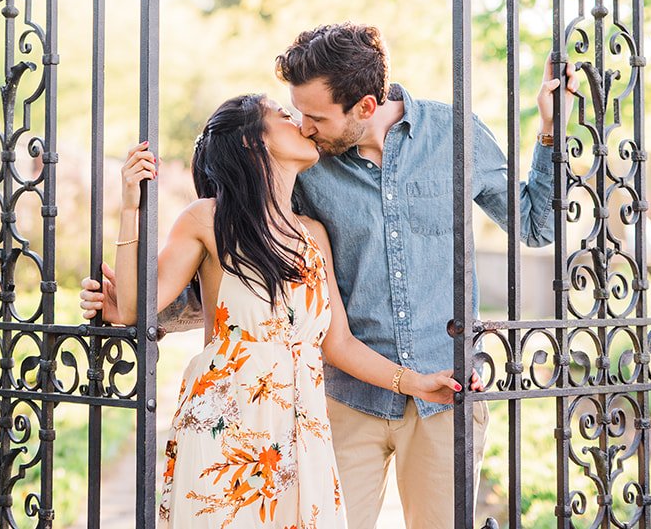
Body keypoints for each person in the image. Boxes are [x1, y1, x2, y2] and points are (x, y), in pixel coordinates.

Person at [85, 24, 569, 529]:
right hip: (339, 402)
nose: (305, 126)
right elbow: (249, 266)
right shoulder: (303, 167)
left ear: (363, 106)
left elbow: (537, 224)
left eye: (315, 117)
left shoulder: (454, 136)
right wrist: (143, 309)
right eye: (295, 114)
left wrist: (550, 131)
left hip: (442, 394)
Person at [105, 93, 461, 529]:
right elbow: (132, 308)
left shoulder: (313, 233)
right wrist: (129, 208)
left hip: (302, 432)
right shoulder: (206, 219)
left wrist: (416, 383)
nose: (301, 123)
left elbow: (339, 343)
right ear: (253, 142)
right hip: (226, 425)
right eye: (283, 116)